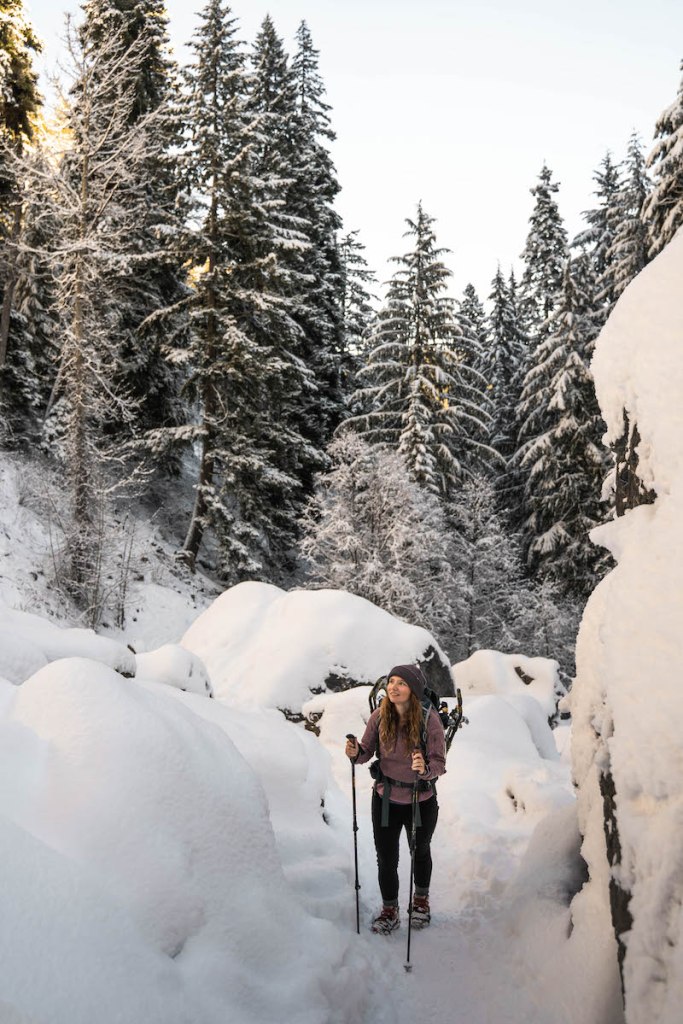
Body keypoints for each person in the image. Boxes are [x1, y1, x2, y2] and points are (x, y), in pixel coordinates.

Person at [345, 664, 446, 934]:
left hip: (420, 800)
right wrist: (355, 752)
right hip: (385, 799)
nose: (393, 687)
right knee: (386, 859)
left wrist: (425, 769)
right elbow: (365, 753)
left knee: (420, 851)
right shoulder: (379, 716)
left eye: (401, 683)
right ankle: (390, 909)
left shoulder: (429, 719)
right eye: (391, 682)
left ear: (413, 689)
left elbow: (439, 763)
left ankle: (420, 902)